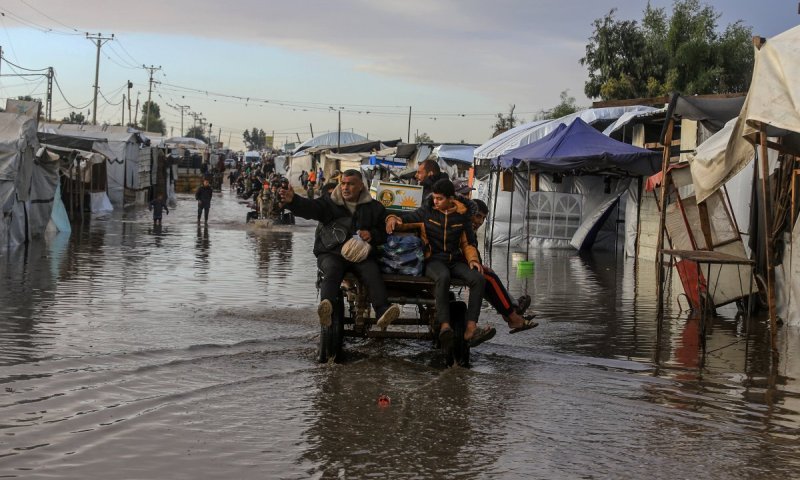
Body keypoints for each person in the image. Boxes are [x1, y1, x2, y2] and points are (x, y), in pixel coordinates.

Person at [278, 169, 400, 330]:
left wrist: (371, 234)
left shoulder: (374, 207)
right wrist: (293, 201)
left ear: (361, 186)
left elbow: (383, 233)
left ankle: (382, 311)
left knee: (372, 272)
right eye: (343, 183)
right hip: (331, 252)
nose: (345, 187)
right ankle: (326, 308)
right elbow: (310, 207)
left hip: (360, 255)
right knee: (332, 270)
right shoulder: (329, 202)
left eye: (350, 184)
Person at [385, 178, 493, 353]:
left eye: (440, 199)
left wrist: (473, 260)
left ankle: (471, 327)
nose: (435, 201)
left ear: (451, 198)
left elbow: (468, 243)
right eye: (434, 198)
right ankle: (444, 326)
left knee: (478, 279)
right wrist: (392, 218)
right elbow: (406, 220)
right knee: (443, 277)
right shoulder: (426, 213)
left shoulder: (462, 215)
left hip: (455, 260)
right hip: (433, 260)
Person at [471, 199, 538, 333]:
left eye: (483, 218)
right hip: (453, 265)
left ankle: (511, 311)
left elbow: (472, 252)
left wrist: (480, 265)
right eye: (478, 216)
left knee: (489, 275)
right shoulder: (460, 227)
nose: (480, 222)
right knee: (488, 278)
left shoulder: (469, 231)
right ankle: (512, 316)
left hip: (463, 264)